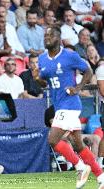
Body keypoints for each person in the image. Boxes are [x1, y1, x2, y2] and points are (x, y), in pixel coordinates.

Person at [32, 26, 104, 189]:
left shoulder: (69, 56)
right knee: (78, 144)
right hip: (59, 105)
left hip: (70, 104)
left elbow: (87, 70)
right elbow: (45, 82)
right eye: (45, 35)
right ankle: (101, 177)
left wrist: (78, 88)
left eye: (50, 35)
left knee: (52, 139)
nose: (47, 38)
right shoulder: (42, 59)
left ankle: (80, 166)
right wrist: (37, 78)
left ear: (59, 37)